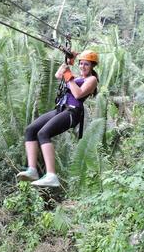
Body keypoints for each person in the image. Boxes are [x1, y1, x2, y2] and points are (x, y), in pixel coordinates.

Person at [16, 50, 99, 187]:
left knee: (43, 133)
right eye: (81, 64)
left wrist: (69, 76)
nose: (83, 67)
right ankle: (32, 170)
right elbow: (58, 74)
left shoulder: (92, 80)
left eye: (87, 65)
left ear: (92, 67)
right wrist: (67, 62)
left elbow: (78, 94)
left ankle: (51, 175)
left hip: (73, 112)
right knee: (30, 130)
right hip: (61, 108)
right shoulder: (76, 77)